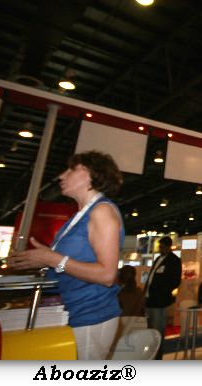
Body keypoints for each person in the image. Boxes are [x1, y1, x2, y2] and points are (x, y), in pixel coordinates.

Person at [10, 150, 124, 360]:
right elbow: (69, 264)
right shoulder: (79, 216)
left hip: (90, 314)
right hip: (71, 312)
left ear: (91, 174)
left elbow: (107, 275)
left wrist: (52, 259)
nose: (62, 176)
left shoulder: (102, 211)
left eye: (71, 169)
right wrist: (42, 259)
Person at [144, 236, 182, 359]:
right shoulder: (158, 259)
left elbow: (175, 281)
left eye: (162, 247)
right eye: (160, 247)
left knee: (158, 332)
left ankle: (157, 358)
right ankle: (150, 356)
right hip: (149, 300)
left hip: (160, 302)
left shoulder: (174, 260)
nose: (160, 249)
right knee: (150, 332)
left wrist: (162, 291)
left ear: (168, 247)